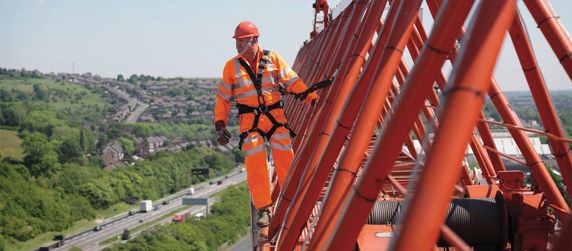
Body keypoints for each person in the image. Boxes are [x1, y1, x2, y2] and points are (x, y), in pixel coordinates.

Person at [214, 20, 318, 228]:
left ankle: (293, 201)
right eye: (237, 42)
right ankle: (264, 208)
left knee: (285, 159)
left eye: (241, 41)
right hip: (250, 122)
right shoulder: (231, 66)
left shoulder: (273, 59)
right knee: (255, 162)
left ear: (254, 40)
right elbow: (223, 98)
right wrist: (220, 124)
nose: (237, 45)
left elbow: (292, 81)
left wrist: (311, 98)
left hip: (275, 119)